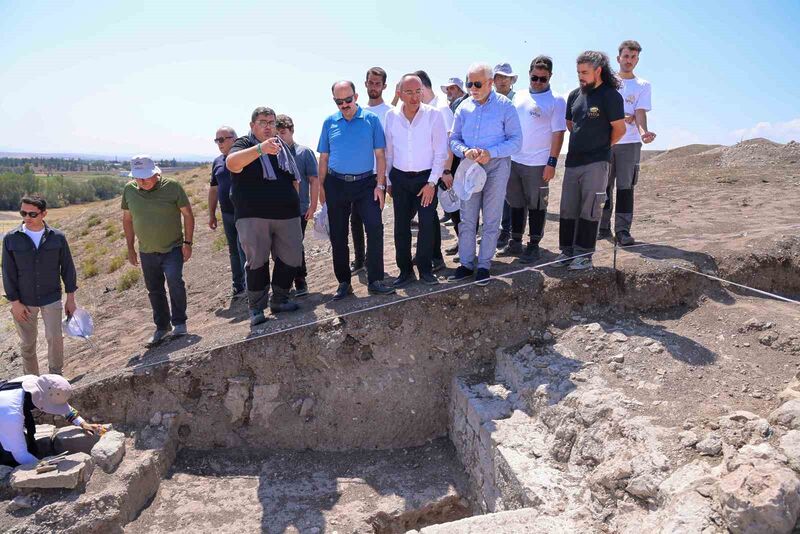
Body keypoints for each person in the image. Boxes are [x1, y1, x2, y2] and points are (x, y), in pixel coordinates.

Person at [226, 107, 304, 325]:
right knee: (257, 261)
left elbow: (293, 179)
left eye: (271, 122)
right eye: (262, 122)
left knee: (291, 258)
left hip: (287, 214)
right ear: (252, 126)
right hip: (253, 215)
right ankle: (257, 309)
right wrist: (260, 149)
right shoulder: (244, 144)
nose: (268, 126)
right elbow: (232, 163)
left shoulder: (282, 148)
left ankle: (279, 299)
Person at [318, 81, 395, 299]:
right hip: (336, 184)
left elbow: (380, 155)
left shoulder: (371, 120)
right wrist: (321, 189)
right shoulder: (329, 122)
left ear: (356, 97)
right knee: (339, 235)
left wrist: (380, 185)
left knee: (375, 227)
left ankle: (376, 280)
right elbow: (323, 158)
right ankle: (344, 283)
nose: (344, 105)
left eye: (348, 100)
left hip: (366, 184)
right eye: (339, 102)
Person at [448, 63, 522, 286]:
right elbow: (453, 139)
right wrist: (465, 151)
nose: (472, 88)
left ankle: (483, 266)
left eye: (477, 84)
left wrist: (492, 153)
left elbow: (517, 142)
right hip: (469, 167)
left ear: (490, 83)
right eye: (469, 83)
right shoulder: (463, 107)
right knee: (467, 218)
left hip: (496, 167)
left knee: (491, 218)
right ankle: (466, 264)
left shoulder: (506, 106)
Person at [557, 51, 626, 270]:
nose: (581, 76)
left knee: (590, 208)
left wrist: (602, 146)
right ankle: (566, 252)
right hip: (572, 162)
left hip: (597, 161)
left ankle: (584, 256)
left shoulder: (611, 96)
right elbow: (571, 125)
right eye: (578, 72)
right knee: (568, 208)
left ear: (598, 70)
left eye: (585, 72)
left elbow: (619, 130)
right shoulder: (574, 95)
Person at [123, 155, 194, 345]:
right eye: (138, 177)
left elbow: (188, 214)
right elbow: (127, 220)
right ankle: (162, 328)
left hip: (173, 248)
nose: (142, 181)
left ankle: (180, 323)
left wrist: (188, 243)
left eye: (146, 176)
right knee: (154, 290)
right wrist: (130, 247)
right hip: (146, 251)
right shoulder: (129, 190)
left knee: (174, 281)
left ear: (156, 173)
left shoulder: (173, 187)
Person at [2, 195, 77, 375]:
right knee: (27, 344)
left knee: (55, 338)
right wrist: (15, 303)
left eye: (32, 214)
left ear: (44, 214)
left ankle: (55, 376)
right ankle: (32, 382)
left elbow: (67, 268)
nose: (27, 217)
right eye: (23, 213)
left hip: (51, 296)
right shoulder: (11, 238)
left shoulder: (57, 237)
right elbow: (7, 272)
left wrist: (71, 299)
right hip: (24, 301)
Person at [385, 74, 449, 287]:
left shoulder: (434, 115)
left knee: (427, 224)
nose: (414, 97)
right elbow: (389, 152)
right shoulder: (391, 117)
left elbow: (441, 152)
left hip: (426, 178)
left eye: (418, 91)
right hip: (400, 178)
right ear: (399, 93)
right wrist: (388, 180)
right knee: (401, 227)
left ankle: (426, 269)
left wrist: (432, 183)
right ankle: (405, 271)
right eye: (409, 92)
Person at [503, 55, 566, 263]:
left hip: (538, 163)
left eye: (543, 79)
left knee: (537, 205)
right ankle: (515, 242)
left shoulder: (556, 100)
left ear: (550, 77)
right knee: (516, 203)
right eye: (534, 78)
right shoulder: (518, 96)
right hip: (514, 160)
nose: (538, 82)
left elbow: (558, 133)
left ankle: (534, 245)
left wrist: (552, 162)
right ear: (528, 75)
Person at [599, 40, 656, 245]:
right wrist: (621, 116)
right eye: (626, 56)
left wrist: (643, 133)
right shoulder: (606, 82)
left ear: (637, 60)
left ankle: (622, 230)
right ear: (618, 58)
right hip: (606, 141)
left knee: (625, 187)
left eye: (633, 57)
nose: (629, 60)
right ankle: (602, 227)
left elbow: (639, 112)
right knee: (603, 186)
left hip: (630, 143)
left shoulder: (643, 85)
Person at [0, 374, 102, 467]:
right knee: (9, 459)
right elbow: (21, 455)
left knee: (29, 446)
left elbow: (59, 404)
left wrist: (82, 423)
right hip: (4, 417)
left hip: (6, 417)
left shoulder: (34, 382)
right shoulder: (11, 415)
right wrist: (42, 465)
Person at [350, 67, 393, 275]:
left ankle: (373, 264)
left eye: (378, 83)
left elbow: (391, 148)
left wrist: (386, 178)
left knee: (373, 222)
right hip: (356, 175)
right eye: (371, 82)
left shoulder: (389, 114)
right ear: (365, 84)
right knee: (355, 219)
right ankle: (359, 259)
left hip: (378, 175)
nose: (374, 86)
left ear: (384, 86)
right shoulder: (357, 112)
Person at [414, 70, 454, 272]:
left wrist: (446, 171)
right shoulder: (424, 109)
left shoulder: (441, 109)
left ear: (424, 87)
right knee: (428, 216)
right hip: (427, 172)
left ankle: (436, 258)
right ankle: (428, 254)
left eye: (416, 89)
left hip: (439, 172)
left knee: (432, 216)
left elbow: (447, 144)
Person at [276, 114, 319, 297]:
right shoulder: (273, 155)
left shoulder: (304, 153)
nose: (280, 136)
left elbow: (314, 180)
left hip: (300, 209)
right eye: (277, 133)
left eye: (283, 132)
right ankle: (284, 283)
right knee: (279, 247)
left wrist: (313, 205)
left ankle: (300, 280)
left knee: (295, 244)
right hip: (277, 210)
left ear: (291, 131)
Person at [209, 126, 246, 298]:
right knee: (233, 250)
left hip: (245, 212)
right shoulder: (217, 162)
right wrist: (211, 214)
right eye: (217, 140)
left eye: (222, 139)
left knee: (243, 248)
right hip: (226, 214)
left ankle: (250, 285)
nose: (219, 144)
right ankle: (237, 285)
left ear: (234, 139)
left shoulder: (244, 158)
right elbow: (214, 189)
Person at [492, 62, 520, 250]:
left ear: (511, 80)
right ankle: (499, 232)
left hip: (516, 155)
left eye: (505, 77)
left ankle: (508, 233)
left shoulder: (518, 100)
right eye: (498, 77)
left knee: (511, 196)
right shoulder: (489, 101)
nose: (502, 80)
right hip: (494, 155)